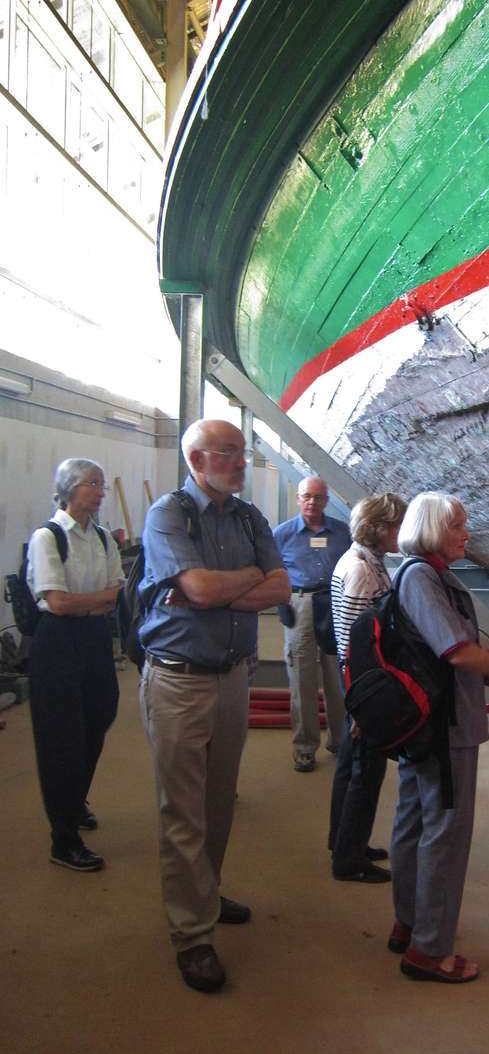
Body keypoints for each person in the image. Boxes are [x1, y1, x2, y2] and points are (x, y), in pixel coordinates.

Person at [139, 419, 289, 993]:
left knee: (219, 799)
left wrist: (228, 583)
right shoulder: (169, 514)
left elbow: (280, 587)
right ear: (198, 459)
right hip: (178, 680)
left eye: (241, 453)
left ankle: (205, 890)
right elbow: (197, 591)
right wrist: (239, 580)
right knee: (183, 810)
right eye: (230, 453)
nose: (240, 462)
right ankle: (192, 935)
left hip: (232, 676)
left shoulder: (249, 517)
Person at [388, 491, 489, 984]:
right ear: (433, 529)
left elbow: (461, 645)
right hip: (443, 726)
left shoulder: (429, 576)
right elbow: (455, 651)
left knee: (414, 820)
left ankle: (410, 922)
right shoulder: (423, 578)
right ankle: (429, 950)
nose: (467, 534)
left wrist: (488, 665)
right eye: (459, 527)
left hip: (428, 722)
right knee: (446, 833)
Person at [27, 458, 124, 872]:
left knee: (99, 716)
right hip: (57, 643)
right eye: (93, 484)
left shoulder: (103, 537)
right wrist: (94, 601)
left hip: (94, 640)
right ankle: (63, 838)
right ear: (70, 489)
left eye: (102, 484)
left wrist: (90, 601)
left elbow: (116, 593)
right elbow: (57, 602)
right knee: (60, 739)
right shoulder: (47, 538)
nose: (101, 492)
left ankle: (72, 800)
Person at [329, 492, 407, 883]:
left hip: (360, 682)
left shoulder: (365, 560)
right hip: (365, 684)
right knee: (365, 769)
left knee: (350, 764)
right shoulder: (362, 570)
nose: (402, 532)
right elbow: (358, 643)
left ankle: (343, 840)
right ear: (378, 528)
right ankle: (349, 859)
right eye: (397, 525)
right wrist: (362, 705)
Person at [274, 476, 351, 772]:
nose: (312, 502)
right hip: (300, 603)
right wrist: (283, 604)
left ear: (326, 500)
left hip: (334, 603)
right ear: (297, 498)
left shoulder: (343, 533)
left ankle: (340, 739)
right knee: (301, 674)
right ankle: (305, 746)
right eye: (306, 496)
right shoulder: (281, 535)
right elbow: (273, 572)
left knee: (336, 672)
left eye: (318, 497)